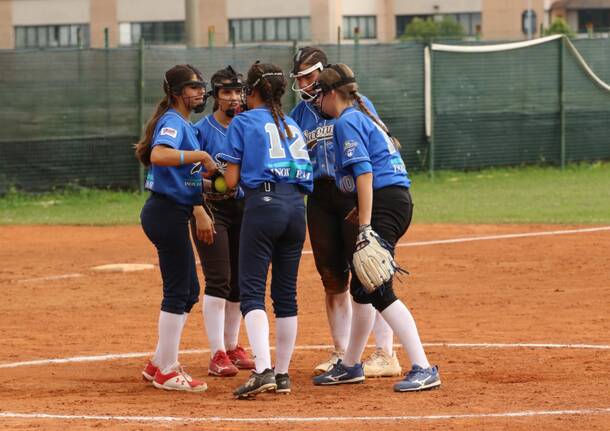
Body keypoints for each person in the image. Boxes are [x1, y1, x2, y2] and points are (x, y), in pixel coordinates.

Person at [311, 64, 441, 392]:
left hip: (386, 202)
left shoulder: (346, 121)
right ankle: (351, 365)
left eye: (319, 95)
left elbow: (365, 174)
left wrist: (366, 226)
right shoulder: (362, 113)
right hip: (395, 199)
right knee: (362, 287)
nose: (317, 103)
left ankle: (423, 367)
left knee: (379, 288)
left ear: (330, 94)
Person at [289, 47, 401, 378]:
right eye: (300, 79)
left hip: (353, 194)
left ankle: (385, 353)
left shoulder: (355, 104)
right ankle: (342, 353)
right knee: (332, 278)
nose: (306, 84)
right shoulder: (299, 114)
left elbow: (379, 148)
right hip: (320, 198)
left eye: (310, 77)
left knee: (371, 272)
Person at [218, 62, 313, 398]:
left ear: (252, 91)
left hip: (264, 206)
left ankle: (262, 371)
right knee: (286, 296)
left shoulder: (244, 120)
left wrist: (226, 176)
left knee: (252, 291)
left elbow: (230, 181)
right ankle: (283, 374)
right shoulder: (291, 124)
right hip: (295, 210)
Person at [136, 64, 217, 392]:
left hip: (172, 210)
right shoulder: (172, 121)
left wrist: (211, 185)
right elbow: (158, 155)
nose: (199, 91)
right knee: (178, 292)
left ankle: (158, 362)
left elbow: (186, 173)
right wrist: (200, 154)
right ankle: (168, 371)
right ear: (175, 93)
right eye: (192, 86)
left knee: (190, 291)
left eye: (200, 86)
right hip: (165, 212)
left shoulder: (183, 123)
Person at [191, 66, 255, 377]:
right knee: (219, 278)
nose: (232, 98)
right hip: (211, 210)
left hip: (244, 208)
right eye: (226, 93)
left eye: (237, 92)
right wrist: (207, 182)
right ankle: (217, 352)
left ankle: (232, 346)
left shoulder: (247, 126)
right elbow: (186, 176)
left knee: (240, 281)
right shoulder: (201, 130)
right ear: (216, 96)